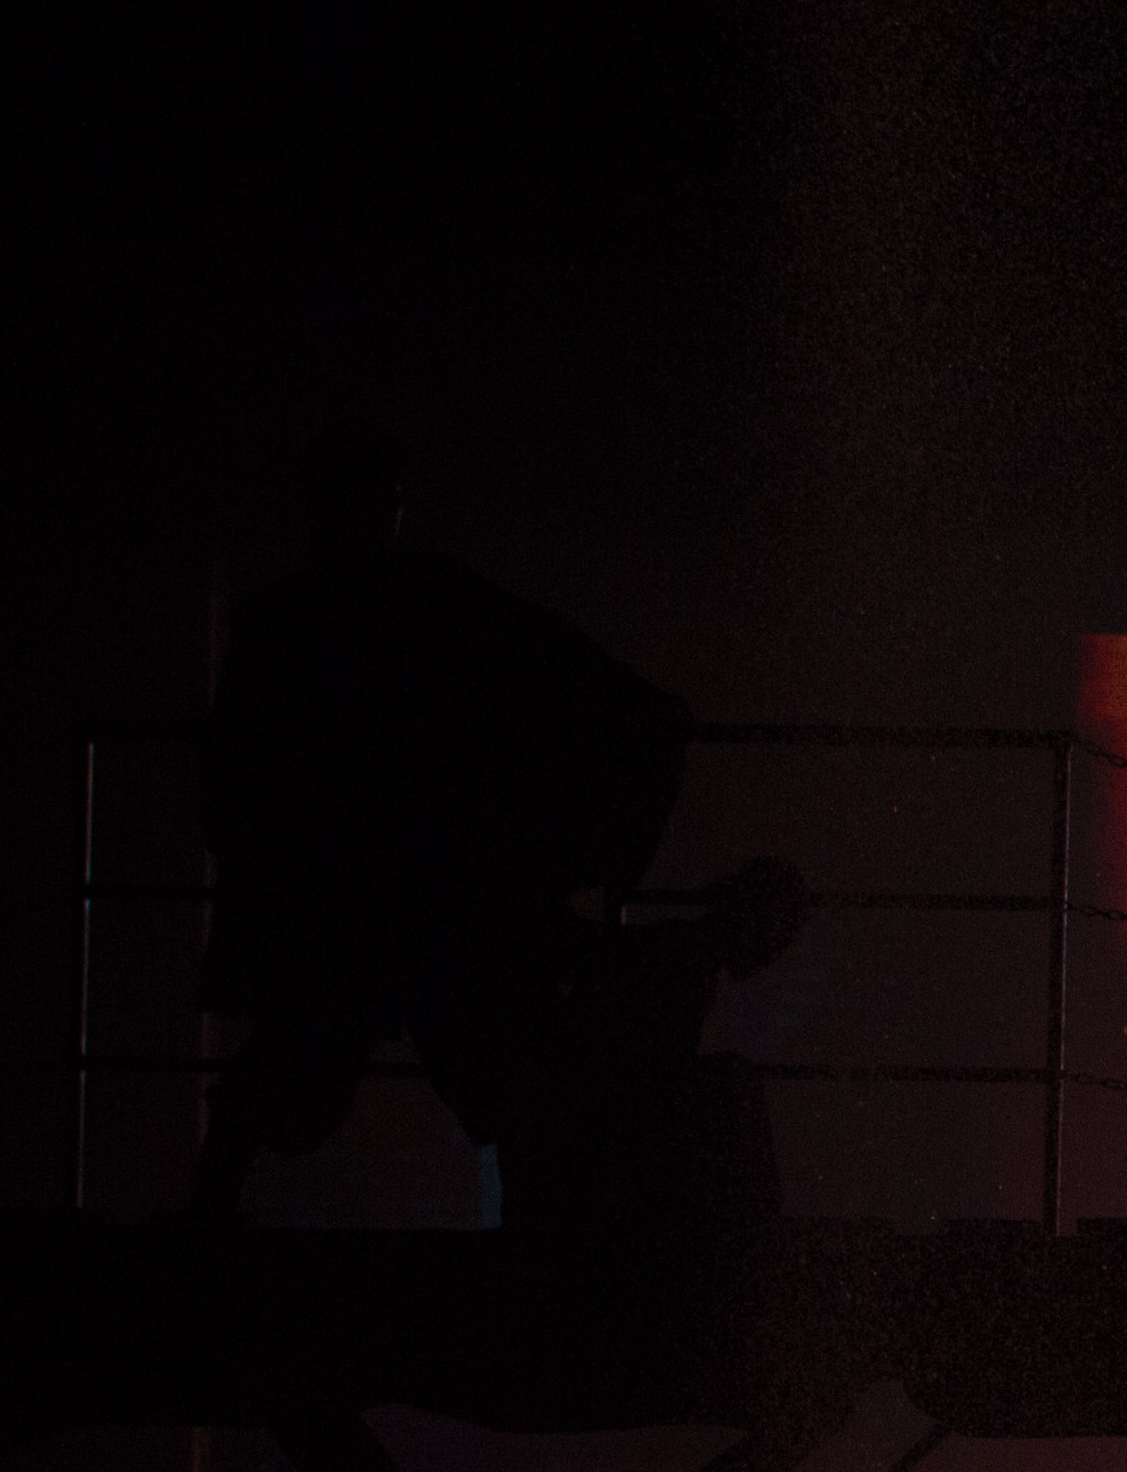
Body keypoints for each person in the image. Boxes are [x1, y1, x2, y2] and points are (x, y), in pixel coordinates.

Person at [192, 460, 794, 1223]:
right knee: (455, 1060)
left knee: (311, 1071)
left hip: (351, 892)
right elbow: (545, 650)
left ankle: (213, 1201)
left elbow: (229, 779)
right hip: (411, 888)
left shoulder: (290, 619)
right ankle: (531, 1222)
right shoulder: (418, 601)